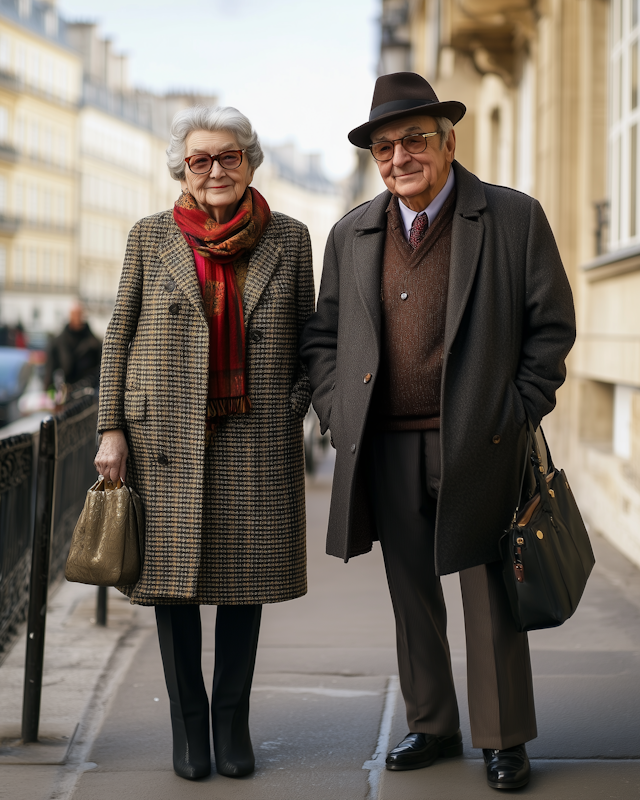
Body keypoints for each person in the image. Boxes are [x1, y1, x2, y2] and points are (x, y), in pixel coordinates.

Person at [300, 72, 575, 791]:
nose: (399, 158)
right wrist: (337, 412)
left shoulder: (512, 218)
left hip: (480, 440)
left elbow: (551, 328)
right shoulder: (352, 231)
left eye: (414, 140)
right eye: (384, 147)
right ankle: (432, 723)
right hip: (386, 443)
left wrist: (517, 409)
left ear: (448, 141)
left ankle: (503, 737)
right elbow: (323, 338)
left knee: (490, 593)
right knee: (410, 592)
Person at [94, 106, 314, 781]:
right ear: (183, 170)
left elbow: (312, 339)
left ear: (249, 161)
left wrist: (290, 411)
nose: (215, 170)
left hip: (256, 437)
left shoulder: (291, 238)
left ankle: (232, 725)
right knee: (173, 592)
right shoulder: (150, 237)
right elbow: (119, 334)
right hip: (165, 441)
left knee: (244, 592)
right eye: (200, 160)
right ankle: (189, 730)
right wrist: (111, 428)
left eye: (228, 156)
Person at [44, 302, 102, 388]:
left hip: (88, 392)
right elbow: (50, 370)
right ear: (70, 315)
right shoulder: (59, 342)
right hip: (65, 391)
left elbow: (100, 370)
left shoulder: (94, 343)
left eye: (79, 314)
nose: (77, 317)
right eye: (74, 314)